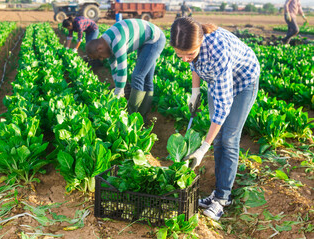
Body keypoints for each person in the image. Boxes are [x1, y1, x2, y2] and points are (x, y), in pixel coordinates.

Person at [170, 17, 260, 221]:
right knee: (218, 139)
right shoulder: (188, 45)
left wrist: (203, 148)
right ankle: (217, 194)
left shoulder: (218, 53)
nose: (184, 58)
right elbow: (193, 63)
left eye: (190, 53)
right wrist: (195, 91)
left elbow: (223, 107)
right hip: (217, 80)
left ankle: (222, 198)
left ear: (200, 43)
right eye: (179, 55)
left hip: (243, 81)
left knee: (228, 138)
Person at [86, 19, 166, 121]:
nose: (102, 59)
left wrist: (119, 92)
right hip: (145, 41)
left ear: (100, 48)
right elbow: (115, 70)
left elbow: (123, 70)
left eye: (100, 56)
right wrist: (119, 91)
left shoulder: (117, 41)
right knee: (145, 78)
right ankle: (141, 117)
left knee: (138, 76)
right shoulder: (107, 44)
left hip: (155, 39)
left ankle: (132, 115)